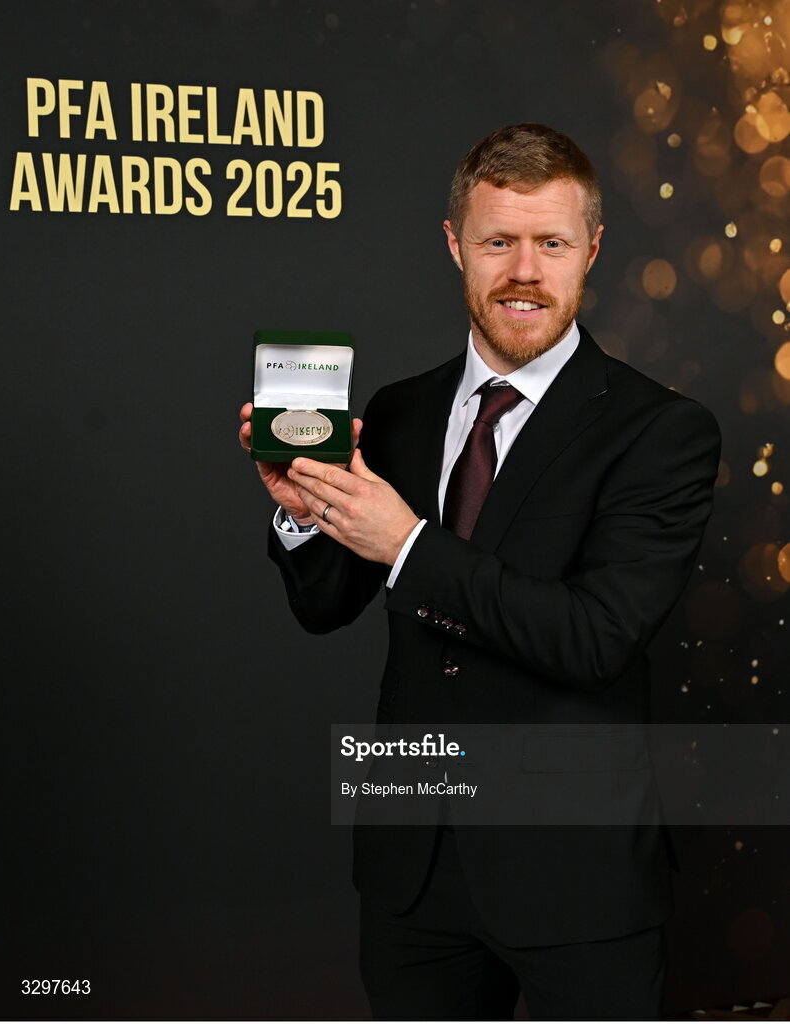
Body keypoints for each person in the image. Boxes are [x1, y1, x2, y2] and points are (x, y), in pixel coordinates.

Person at [239, 124, 721, 1021]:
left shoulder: (661, 433)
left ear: (592, 251)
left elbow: (594, 638)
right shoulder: (399, 410)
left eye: (551, 243)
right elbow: (328, 606)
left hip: (575, 877)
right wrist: (305, 516)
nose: (524, 272)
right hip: (411, 870)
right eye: (499, 241)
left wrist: (408, 544)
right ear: (456, 244)